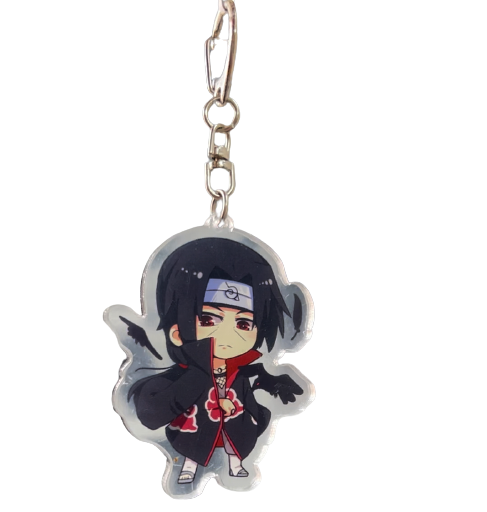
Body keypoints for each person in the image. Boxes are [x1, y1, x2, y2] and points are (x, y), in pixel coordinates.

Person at [122, 238, 303, 484]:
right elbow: (150, 411)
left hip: (231, 429)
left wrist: (253, 412)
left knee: (235, 442)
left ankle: (235, 466)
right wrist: (198, 377)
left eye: (243, 324)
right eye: (208, 320)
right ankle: (188, 469)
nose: (227, 335)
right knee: (192, 449)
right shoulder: (184, 373)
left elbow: (252, 403)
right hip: (195, 430)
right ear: (176, 332)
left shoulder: (243, 372)